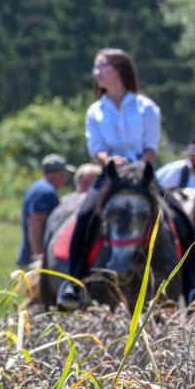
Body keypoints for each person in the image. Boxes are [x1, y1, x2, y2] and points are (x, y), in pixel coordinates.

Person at [56, 48, 161, 309]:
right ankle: (73, 282)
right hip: (110, 176)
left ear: (120, 69)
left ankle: (192, 286)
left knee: (179, 216)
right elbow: (96, 148)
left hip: (141, 175)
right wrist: (108, 160)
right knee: (85, 216)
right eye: (96, 67)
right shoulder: (95, 110)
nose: (96, 72)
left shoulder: (147, 107)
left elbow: (151, 147)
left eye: (102, 66)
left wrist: (138, 165)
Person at [17, 154, 74, 272]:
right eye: (65, 174)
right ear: (60, 173)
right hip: (36, 258)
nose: (66, 177)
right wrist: (37, 255)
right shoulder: (45, 192)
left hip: (30, 254)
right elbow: (35, 223)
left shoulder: (40, 187)